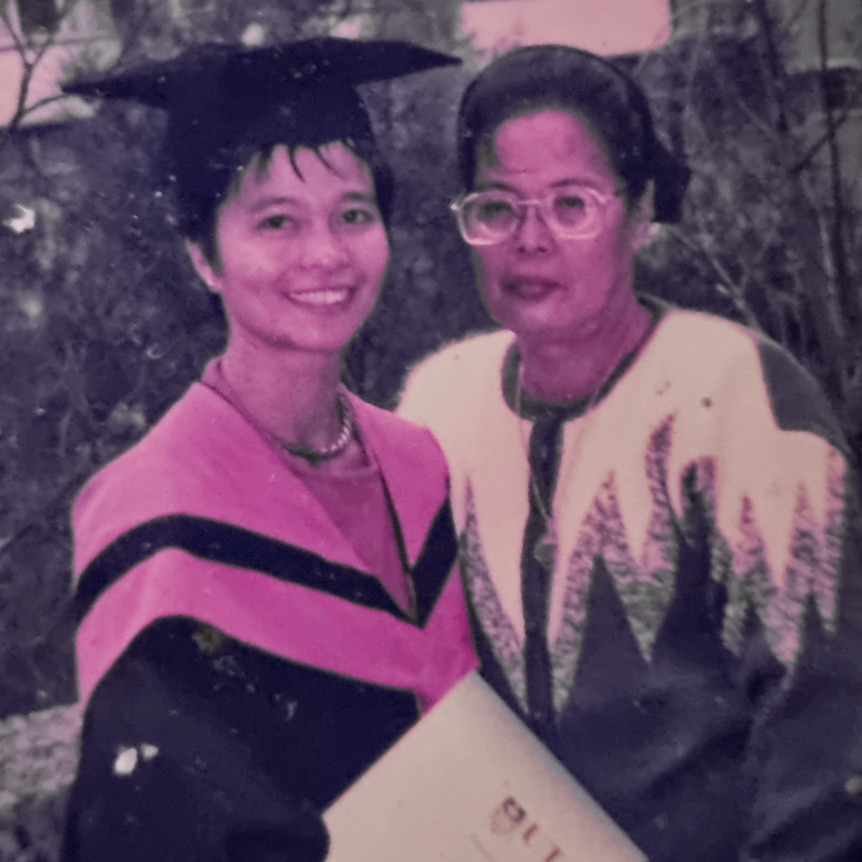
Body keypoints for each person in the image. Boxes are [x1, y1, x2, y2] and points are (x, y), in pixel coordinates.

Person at [400, 44, 862, 862]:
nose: (531, 240)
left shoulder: (737, 395)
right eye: (497, 208)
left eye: (571, 204)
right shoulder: (438, 407)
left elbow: (823, 743)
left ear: (641, 211)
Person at [60, 38, 477, 862]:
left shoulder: (418, 463)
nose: (325, 253)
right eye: (277, 221)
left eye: (353, 213)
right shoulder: (153, 517)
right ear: (204, 256)